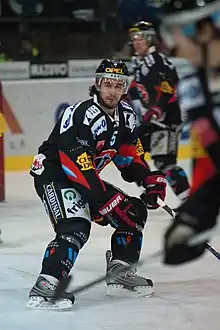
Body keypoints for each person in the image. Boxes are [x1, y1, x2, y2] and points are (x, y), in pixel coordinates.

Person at [27, 58, 167, 310]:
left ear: (125, 88)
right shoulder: (81, 114)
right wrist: (102, 200)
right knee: (75, 226)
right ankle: (46, 284)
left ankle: (121, 273)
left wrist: (149, 179)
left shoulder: (127, 117)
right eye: (107, 84)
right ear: (97, 84)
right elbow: (74, 165)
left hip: (84, 177)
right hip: (56, 176)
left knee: (132, 214)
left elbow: (129, 158)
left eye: (118, 85)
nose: (112, 91)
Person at [155, 0, 220, 265]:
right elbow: (214, 163)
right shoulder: (193, 87)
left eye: (177, 31)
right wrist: (194, 217)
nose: (172, 46)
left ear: (206, 30)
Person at [127, 21, 190, 204]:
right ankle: (152, 189)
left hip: (166, 120)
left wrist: (156, 109)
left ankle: (187, 200)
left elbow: (169, 87)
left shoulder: (157, 61)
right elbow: (136, 87)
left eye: (140, 38)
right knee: (131, 151)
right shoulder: (140, 63)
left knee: (165, 162)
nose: (136, 42)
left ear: (149, 39)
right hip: (150, 122)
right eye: (134, 39)